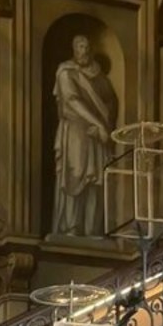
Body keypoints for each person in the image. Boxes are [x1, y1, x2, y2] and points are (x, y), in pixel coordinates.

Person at [50, 34, 117, 238]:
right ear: (74, 49)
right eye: (80, 46)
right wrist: (99, 124)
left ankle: (92, 229)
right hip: (75, 134)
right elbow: (72, 101)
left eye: (87, 47)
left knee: (95, 181)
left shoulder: (100, 77)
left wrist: (104, 126)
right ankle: (71, 227)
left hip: (96, 137)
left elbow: (110, 103)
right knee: (75, 175)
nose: (84, 50)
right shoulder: (66, 72)